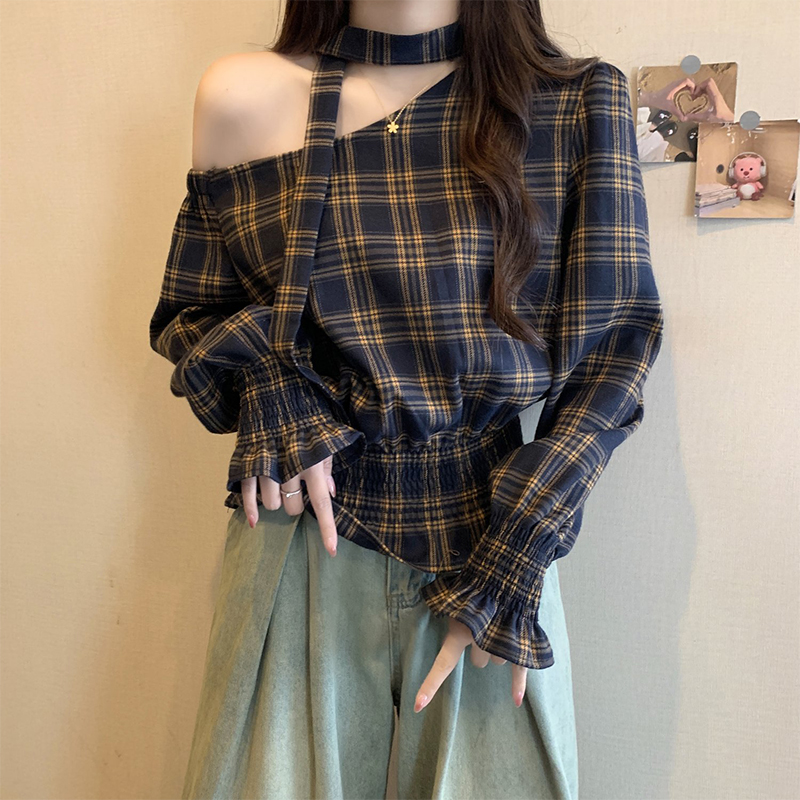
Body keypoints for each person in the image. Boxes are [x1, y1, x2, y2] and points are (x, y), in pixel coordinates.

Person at [148, 0, 665, 797]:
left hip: (494, 539)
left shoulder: (574, 102)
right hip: (297, 526)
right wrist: (270, 386)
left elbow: (614, 352)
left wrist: (521, 547)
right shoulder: (243, 95)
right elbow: (191, 313)